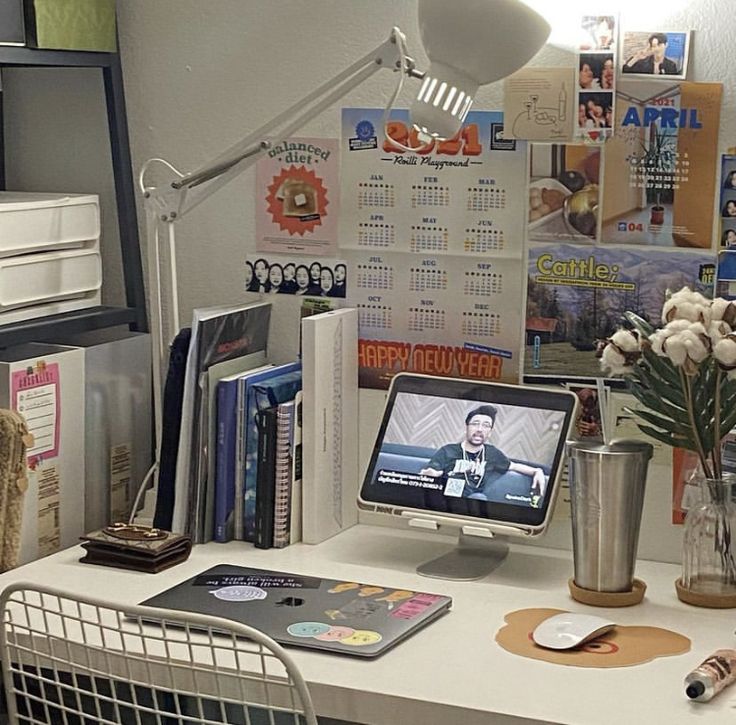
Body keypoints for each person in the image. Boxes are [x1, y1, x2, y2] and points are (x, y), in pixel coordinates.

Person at [419, 405, 547, 501]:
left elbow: (514, 466)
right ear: (467, 427)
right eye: (475, 424)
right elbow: (431, 472)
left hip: (473, 502)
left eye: (486, 426)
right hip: (445, 499)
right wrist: (431, 475)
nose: (480, 429)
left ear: (490, 432)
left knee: (479, 498)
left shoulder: (492, 454)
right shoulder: (448, 450)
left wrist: (537, 471)